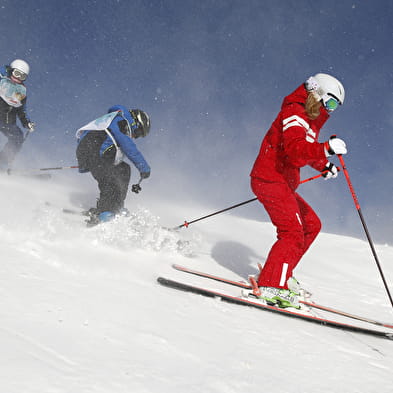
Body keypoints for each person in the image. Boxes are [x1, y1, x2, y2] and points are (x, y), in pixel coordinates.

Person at [249, 73, 347, 308]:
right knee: (292, 231)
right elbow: (295, 150)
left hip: (282, 183)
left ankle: (283, 272)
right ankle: (272, 284)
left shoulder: (310, 121)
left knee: (311, 225)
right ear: (320, 94)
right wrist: (325, 149)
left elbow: (304, 150)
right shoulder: (296, 112)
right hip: (270, 179)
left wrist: (324, 165)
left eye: (336, 107)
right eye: (332, 103)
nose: (332, 111)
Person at [76, 105, 151, 226]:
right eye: (138, 133)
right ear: (136, 121)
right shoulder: (123, 119)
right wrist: (143, 167)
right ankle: (106, 214)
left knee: (123, 169)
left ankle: (115, 207)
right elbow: (127, 144)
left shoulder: (116, 119)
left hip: (94, 149)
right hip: (94, 147)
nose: (134, 136)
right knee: (111, 182)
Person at [0, 59, 35, 169]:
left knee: (17, 137)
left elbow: (21, 110)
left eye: (22, 76)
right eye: (17, 73)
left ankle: (2, 163)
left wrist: (27, 123)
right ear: (11, 70)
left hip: (6, 121)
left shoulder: (21, 91)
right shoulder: (1, 78)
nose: (18, 78)